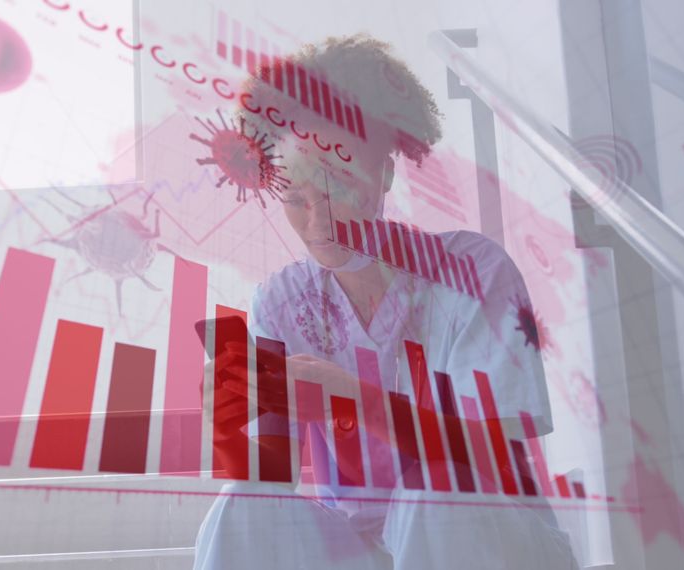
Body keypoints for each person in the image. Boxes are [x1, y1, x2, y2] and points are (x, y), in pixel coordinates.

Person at [193, 34, 578, 569]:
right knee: (245, 504)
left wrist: (354, 401)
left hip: (491, 531)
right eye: (296, 199)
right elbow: (272, 478)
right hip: (362, 548)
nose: (319, 224)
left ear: (385, 171)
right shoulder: (281, 301)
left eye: (341, 188)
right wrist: (233, 419)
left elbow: (493, 455)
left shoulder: (474, 273)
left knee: (436, 491)